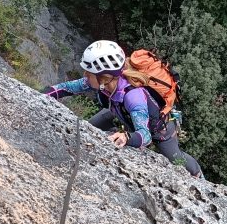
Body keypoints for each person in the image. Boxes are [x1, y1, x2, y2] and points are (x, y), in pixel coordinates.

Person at [42, 40, 203, 178]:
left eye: (88, 72)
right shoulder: (104, 82)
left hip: (160, 130)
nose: (85, 75)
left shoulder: (134, 97)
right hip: (120, 114)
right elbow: (66, 88)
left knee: (176, 158)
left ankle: (198, 175)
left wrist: (126, 137)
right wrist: (41, 95)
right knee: (87, 129)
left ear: (104, 77)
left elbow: (145, 136)